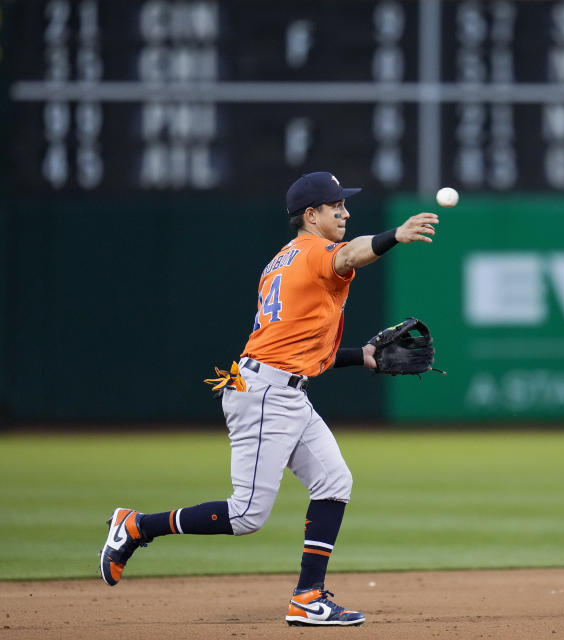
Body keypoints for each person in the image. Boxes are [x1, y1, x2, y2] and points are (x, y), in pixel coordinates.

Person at [99, 171, 439, 627]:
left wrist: (364, 356)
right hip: (265, 395)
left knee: (335, 483)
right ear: (311, 214)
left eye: (345, 204)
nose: (345, 211)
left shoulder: (283, 259)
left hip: (279, 387)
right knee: (245, 515)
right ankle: (137, 525)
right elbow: (353, 253)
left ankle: (308, 597)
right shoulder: (317, 252)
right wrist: (394, 236)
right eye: (336, 206)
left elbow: (296, 347)